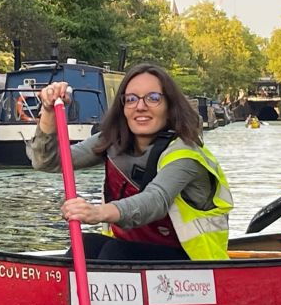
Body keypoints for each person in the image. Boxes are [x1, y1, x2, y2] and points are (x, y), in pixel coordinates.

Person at [28, 63, 233, 261]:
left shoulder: (185, 154)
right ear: (123, 107)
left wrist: (98, 212)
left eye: (153, 98)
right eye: (131, 99)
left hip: (195, 268)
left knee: (115, 253)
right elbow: (48, 162)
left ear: (170, 106)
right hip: (133, 253)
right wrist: (48, 111)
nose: (140, 107)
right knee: (87, 244)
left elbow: (155, 201)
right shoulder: (112, 141)